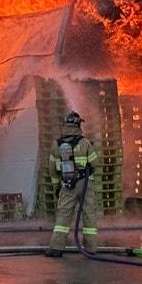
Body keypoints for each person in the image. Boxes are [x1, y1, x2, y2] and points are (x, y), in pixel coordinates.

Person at [45, 110, 100, 257]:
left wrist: (57, 187)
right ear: (78, 125)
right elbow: (95, 163)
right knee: (89, 215)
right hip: (85, 184)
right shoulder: (85, 143)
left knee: (63, 216)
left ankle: (56, 247)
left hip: (67, 185)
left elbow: (52, 170)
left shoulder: (56, 145)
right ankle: (90, 248)